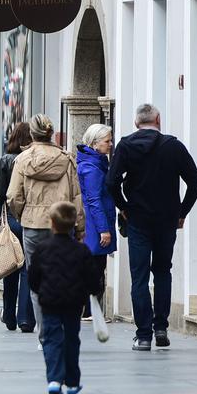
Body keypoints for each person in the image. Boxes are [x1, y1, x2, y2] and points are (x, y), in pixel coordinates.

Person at [107, 103, 197, 351]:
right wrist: (182, 212)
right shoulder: (173, 146)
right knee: (162, 272)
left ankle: (144, 334)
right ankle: (161, 327)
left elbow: (111, 182)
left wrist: (123, 206)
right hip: (166, 220)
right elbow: (195, 182)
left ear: (136, 122)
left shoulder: (126, 146)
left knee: (139, 277)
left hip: (137, 218)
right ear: (158, 119)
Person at [29, 202, 99, 394]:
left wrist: (41, 291)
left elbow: (33, 277)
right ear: (74, 224)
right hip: (73, 303)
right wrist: (93, 291)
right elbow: (92, 278)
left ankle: (54, 378)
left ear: (52, 223)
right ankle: (72, 380)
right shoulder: (81, 251)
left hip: (49, 302)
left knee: (51, 338)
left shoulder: (42, 249)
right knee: (71, 339)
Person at [7, 113, 84, 276]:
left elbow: (13, 196)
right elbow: (76, 196)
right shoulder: (66, 159)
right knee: (61, 272)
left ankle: (40, 303)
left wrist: (22, 215)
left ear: (32, 134)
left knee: (35, 275)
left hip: (33, 223)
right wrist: (80, 228)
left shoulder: (22, 160)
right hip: (62, 223)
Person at [0, 123, 35, 332]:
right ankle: (25, 317)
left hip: (11, 219)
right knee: (28, 269)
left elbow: (0, 193)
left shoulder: (6, 160)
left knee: (10, 267)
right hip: (31, 219)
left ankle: (9, 314)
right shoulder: (33, 159)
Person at [76, 123, 117, 320]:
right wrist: (104, 229)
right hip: (95, 225)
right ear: (94, 143)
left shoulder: (96, 163)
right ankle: (89, 310)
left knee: (95, 266)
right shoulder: (92, 167)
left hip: (96, 221)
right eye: (107, 141)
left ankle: (89, 309)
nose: (110, 144)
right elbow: (93, 200)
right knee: (95, 267)